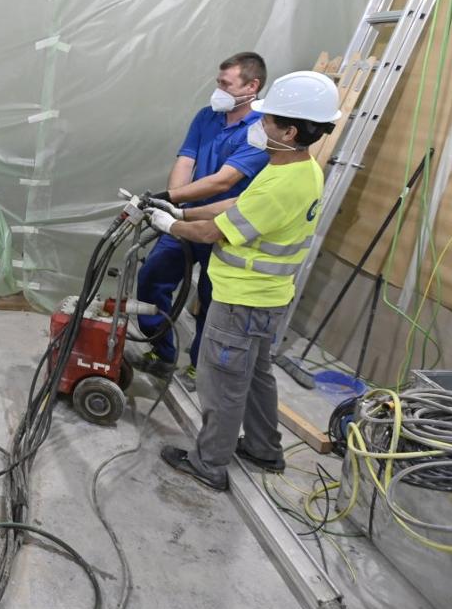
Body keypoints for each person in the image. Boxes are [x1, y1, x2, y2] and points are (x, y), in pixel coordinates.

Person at [143, 71, 340, 492]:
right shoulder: (298, 168)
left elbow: (216, 233)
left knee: (222, 385)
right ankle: (266, 449)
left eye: (267, 121)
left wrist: (169, 226)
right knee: (255, 376)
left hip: (241, 300)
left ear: (289, 130)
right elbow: (236, 203)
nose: (259, 126)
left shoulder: (281, 184)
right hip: (268, 300)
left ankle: (209, 463)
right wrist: (181, 212)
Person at [136, 52, 271, 387]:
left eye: (226, 84)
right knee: (152, 278)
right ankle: (162, 352)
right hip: (184, 219)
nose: (219, 90)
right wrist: (172, 201)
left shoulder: (261, 131)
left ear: (251, 86)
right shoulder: (207, 117)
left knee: (211, 302)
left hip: (223, 227)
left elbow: (224, 181)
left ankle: (201, 367)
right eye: (218, 82)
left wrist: (172, 201)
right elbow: (186, 158)